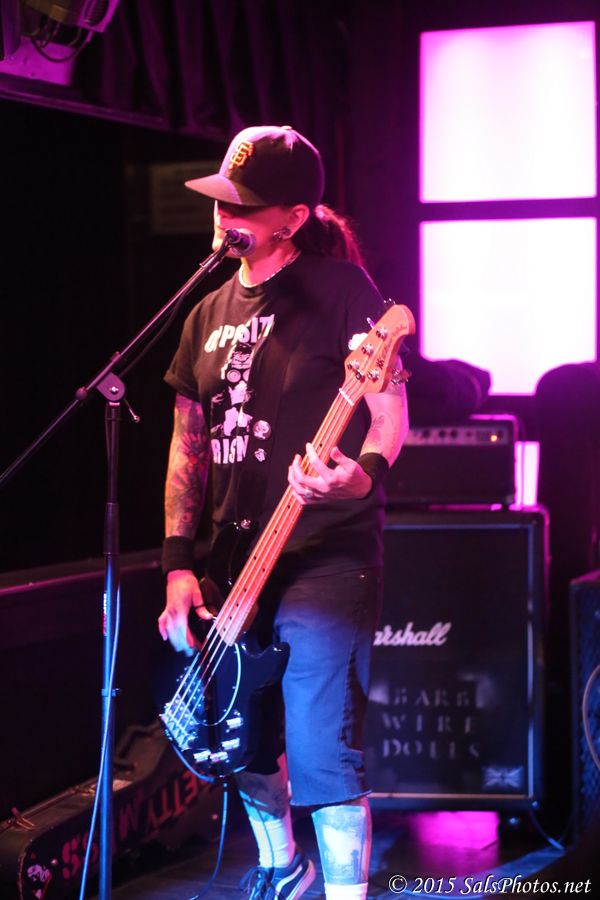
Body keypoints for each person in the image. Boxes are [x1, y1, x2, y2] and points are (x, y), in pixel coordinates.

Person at [157, 125, 409, 900]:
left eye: (244, 206)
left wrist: (361, 477)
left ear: (293, 218)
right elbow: (186, 449)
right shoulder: (203, 313)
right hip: (232, 561)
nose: (224, 216)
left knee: (323, 747)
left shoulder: (343, 291)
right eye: (221, 201)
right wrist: (176, 566)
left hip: (325, 554)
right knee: (239, 736)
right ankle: (281, 867)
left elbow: (389, 413)